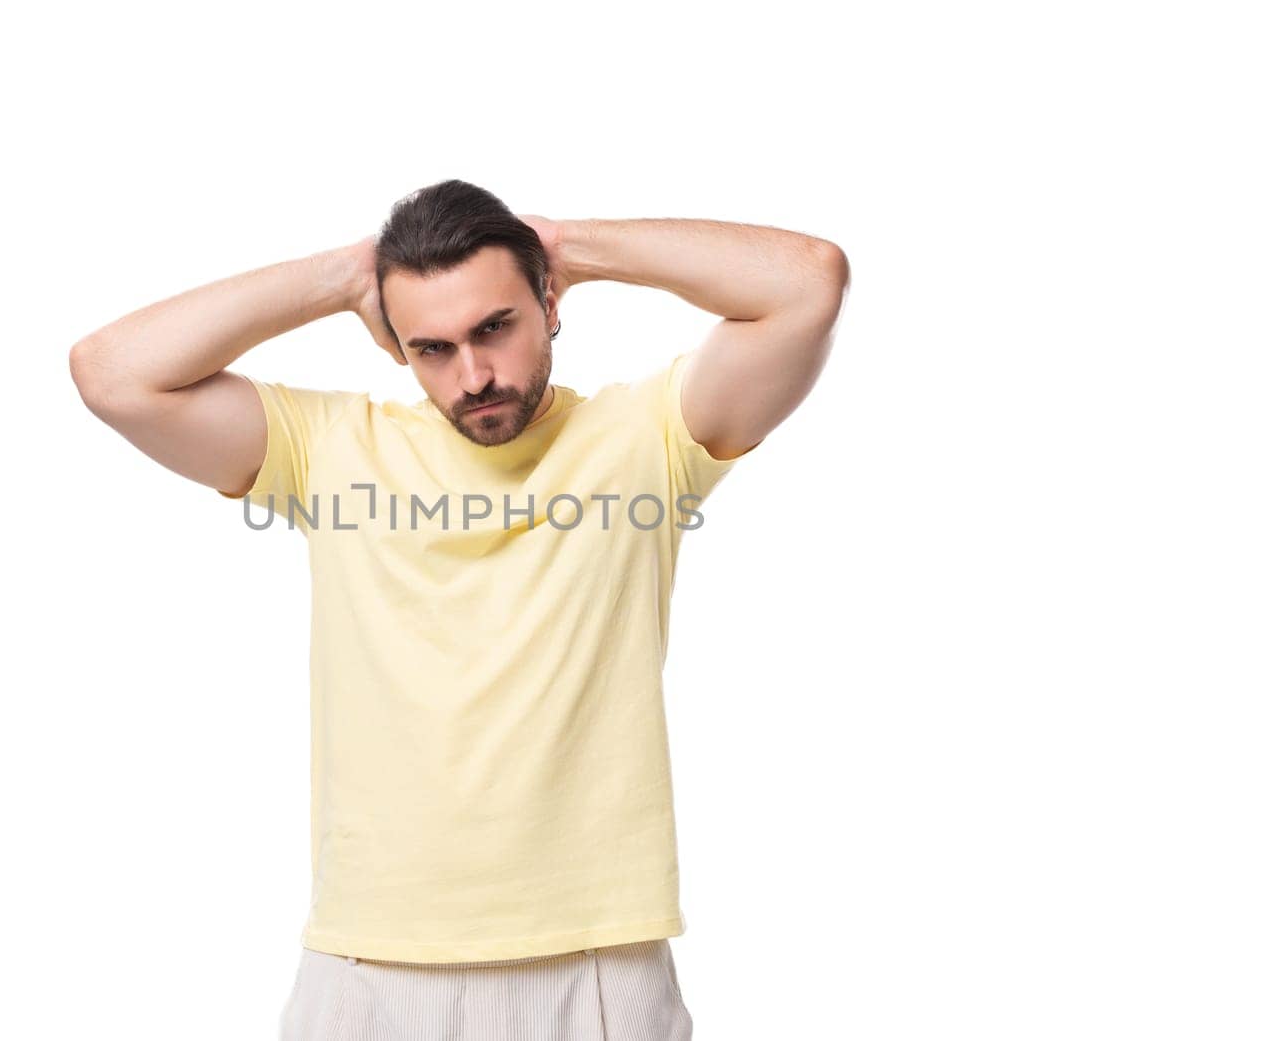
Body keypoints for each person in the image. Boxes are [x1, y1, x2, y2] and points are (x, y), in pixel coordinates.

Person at [69, 180, 849, 1040]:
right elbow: (111, 374)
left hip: (595, 957)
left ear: (549, 303)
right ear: (396, 345)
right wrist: (338, 276)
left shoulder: (647, 438)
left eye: (494, 328)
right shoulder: (330, 449)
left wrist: (571, 244)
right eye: (432, 347)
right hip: (370, 958)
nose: (473, 376)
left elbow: (808, 283)